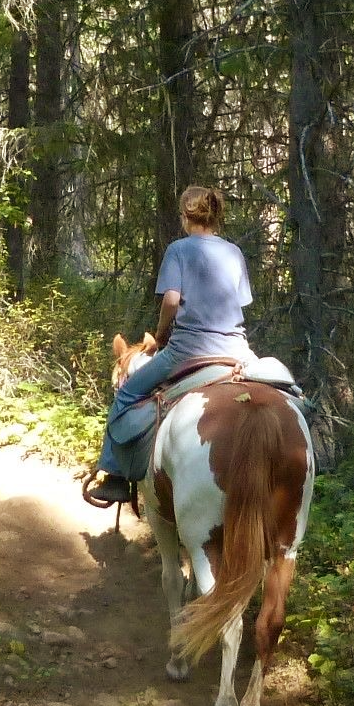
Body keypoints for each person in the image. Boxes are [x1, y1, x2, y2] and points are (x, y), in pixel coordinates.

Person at [88, 185, 255, 502]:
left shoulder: (178, 250)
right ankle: (303, 406)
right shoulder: (234, 252)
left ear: (185, 217)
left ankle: (115, 476)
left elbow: (172, 300)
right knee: (278, 384)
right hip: (237, 351)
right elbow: (240, 302)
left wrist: (161, 334)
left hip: (186, 351)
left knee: (126, 395)